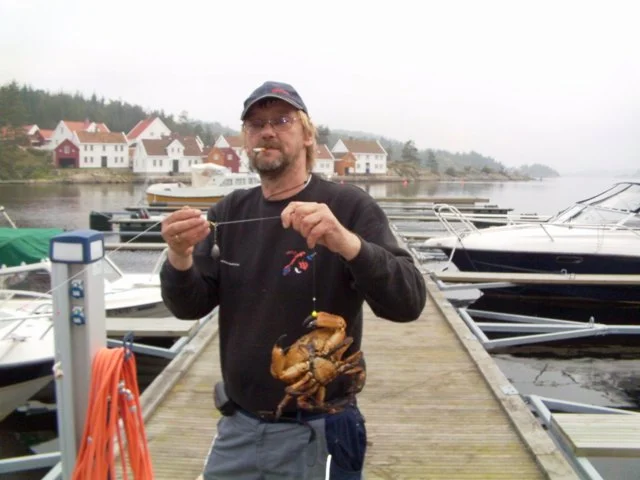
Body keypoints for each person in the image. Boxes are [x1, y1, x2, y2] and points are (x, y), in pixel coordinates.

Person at [159, 80, 427, 480]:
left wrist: (347, 242)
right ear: (246, 139)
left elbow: (408, 303)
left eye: (282, 120)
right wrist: (179, 256)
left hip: (321, 429)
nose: (267, 131)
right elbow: (189, 305)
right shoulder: (229, 211)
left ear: (307, 136)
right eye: (255, 124)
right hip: (238, 426)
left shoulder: (348, 206)